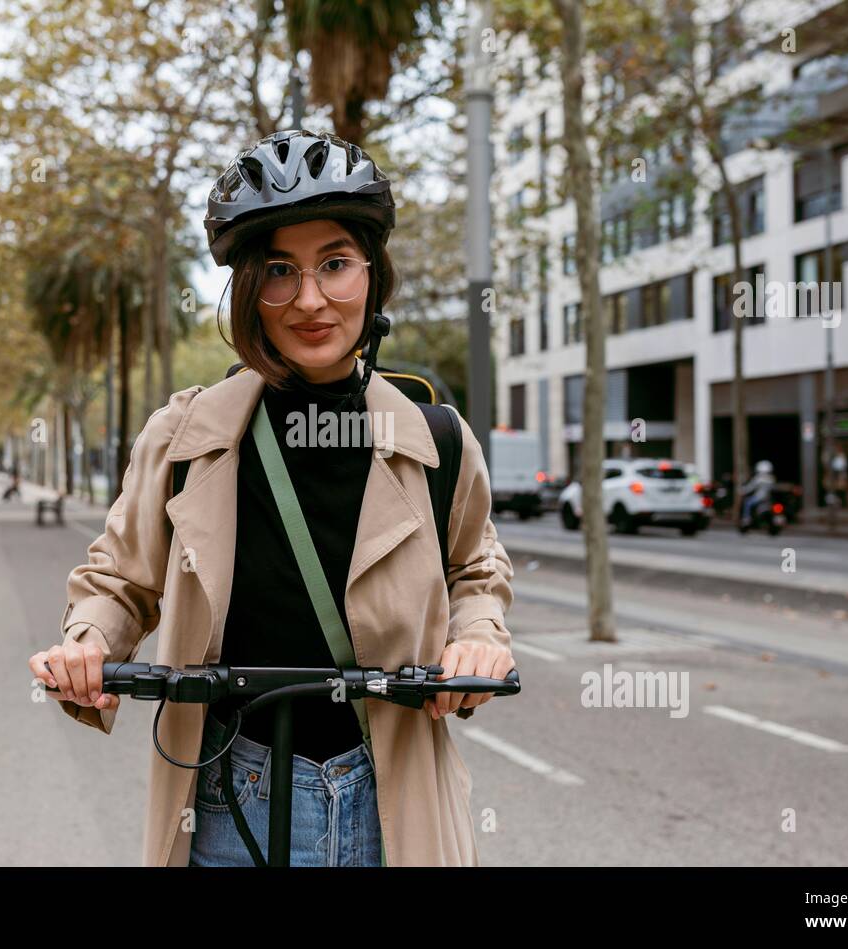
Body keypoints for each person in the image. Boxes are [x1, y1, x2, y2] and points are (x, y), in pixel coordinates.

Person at [28, 129, 514, 867]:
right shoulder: (184, 437)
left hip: (395, 794)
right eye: (280, 270)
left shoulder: (438, 439)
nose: (311, 299)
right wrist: (90, 644)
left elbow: (474, 572)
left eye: (336, 264)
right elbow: (119, 582)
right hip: (230, 797)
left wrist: (476, 639)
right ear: (251, 291)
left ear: (373, 277)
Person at [740, 460, 776, 525]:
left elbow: (750, 487)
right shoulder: (771, 479)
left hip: (758, 498)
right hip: (768, 499)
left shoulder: (758, 478)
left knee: (747, 503)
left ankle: (746, 519)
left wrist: (742, 490)